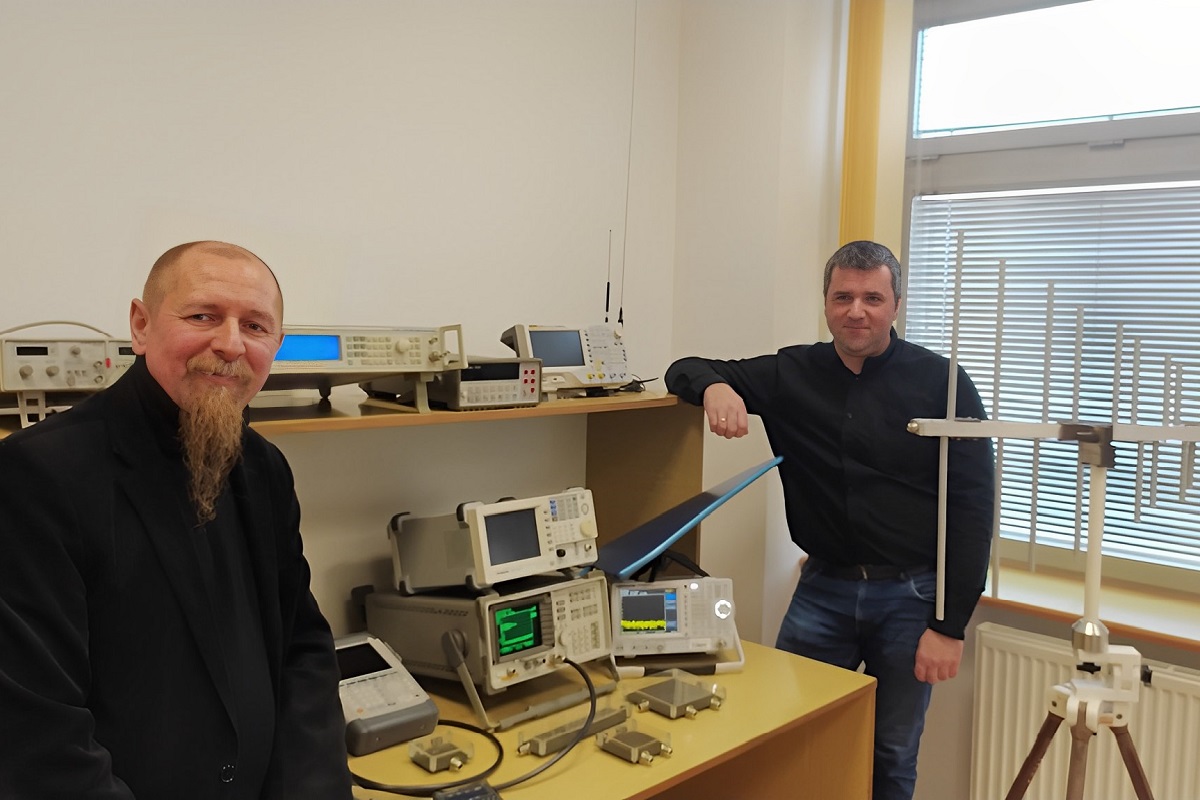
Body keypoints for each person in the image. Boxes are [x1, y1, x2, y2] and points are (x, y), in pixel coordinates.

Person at [0, 242, 353, 800]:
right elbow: (34, 729)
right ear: (141, 326)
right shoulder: (38, 475)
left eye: (255, 326)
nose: (231, 344)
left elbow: (301, 648)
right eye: (203, 316)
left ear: (276, 345)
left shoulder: (264, 469)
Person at [665, 240, 994, 800]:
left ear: (896, 305)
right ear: (825, 303)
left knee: (891, 753)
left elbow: (973, 504)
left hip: (912, 596)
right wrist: (717, 387)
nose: (856, 311)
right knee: (789, 732)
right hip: (823, 590)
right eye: (843, 297)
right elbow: (684, 369)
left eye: (872, 298)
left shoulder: (943, 383)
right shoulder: (792, 372)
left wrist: (949, 625)